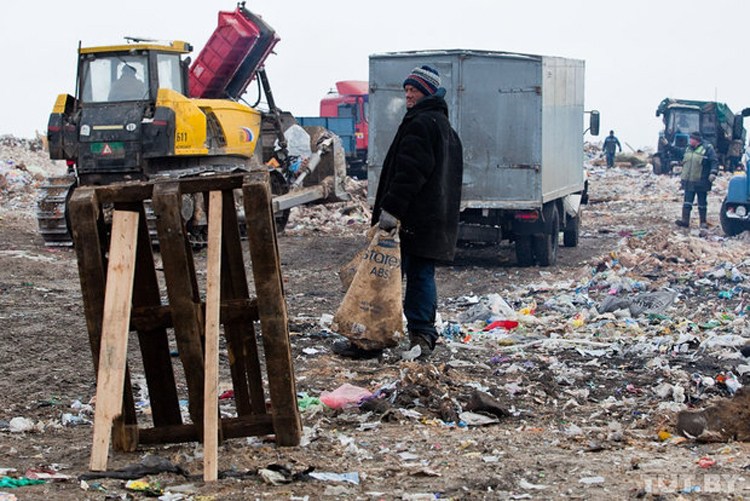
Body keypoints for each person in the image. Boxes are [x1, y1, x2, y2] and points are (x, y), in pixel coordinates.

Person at [333, 65, 464, 359]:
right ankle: (422, 338)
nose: (408, 94)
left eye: (414, 89)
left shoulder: (420, 124)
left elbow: (409, 174)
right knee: (421, 276)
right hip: (431, 223)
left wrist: (391, 212)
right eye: (406, 89)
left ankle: (368, 340)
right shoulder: (445, 128)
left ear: (427, 92)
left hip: (408, 222)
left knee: (380, 278)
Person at [675, 131, 718, 229]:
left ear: (696, 140)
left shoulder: (707, 149)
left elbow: (714, 161)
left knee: (702, 202)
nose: (689, 140)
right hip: (689, 181)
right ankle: (685, 221)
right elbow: (677, 152)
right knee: (687, 202)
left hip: (701, 181)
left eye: (691, 139)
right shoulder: (688, 148)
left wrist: (713, 172)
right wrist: (667, 146)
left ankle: (703, 222)